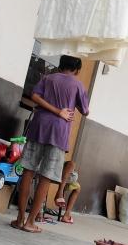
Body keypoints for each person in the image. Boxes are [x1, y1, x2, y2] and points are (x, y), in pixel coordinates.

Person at [12, 56, 89, 233]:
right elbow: (85, 111)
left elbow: (34, 96)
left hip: (38, 126)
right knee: (46, 177)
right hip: (58, 133)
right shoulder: (78, 85)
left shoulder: (47, 78)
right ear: (77, 70)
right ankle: (30, 222)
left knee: (28, 173)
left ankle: (19, 219)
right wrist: (61, 110)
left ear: (61, 65)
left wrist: (54, 109)